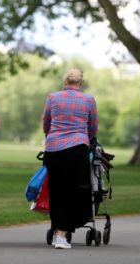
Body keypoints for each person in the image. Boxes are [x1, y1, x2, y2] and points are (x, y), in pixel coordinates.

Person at [42, 68, 98, 249]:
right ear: (80, 83)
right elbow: (93, 127)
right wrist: (86, 138)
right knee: (73, 190)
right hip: (77, 148)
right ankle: (61, 235)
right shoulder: (89, 100)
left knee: (56, 190)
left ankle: (58, 229)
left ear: (65, 82)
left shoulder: (52, 98)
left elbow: (46, 123)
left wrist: (51, 135)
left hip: (54, 148)